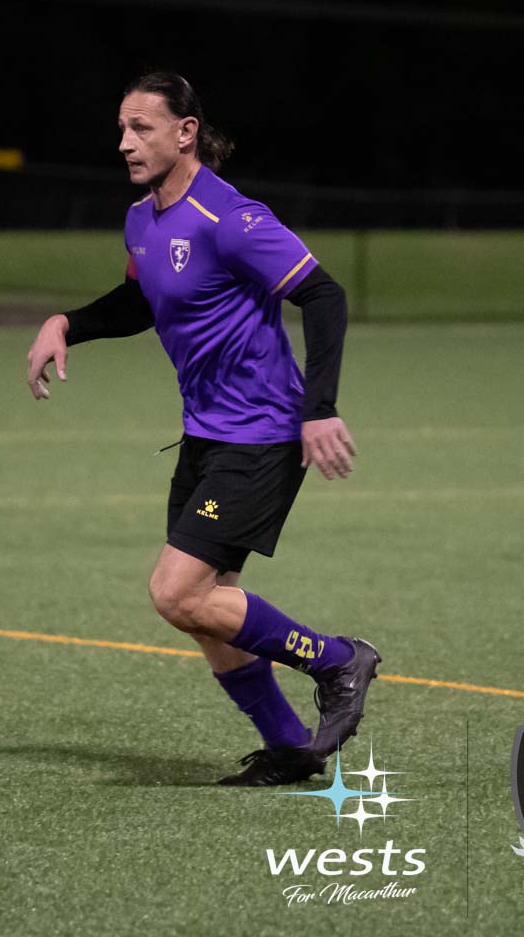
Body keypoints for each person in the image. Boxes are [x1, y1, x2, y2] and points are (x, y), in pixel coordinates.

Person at [25, 72, 379, 786]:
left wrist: (319, 407)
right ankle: (289, 748)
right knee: (204, 609)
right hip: (205, 437)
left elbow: (323, 295)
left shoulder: (231, 219)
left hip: (263, 434)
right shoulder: (142, 220)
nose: (125, 143)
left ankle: (339, 660)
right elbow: (141, 301)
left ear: (185, 132)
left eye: (142, 128)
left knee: (176, 593)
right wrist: (66, 322)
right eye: (121, 129)